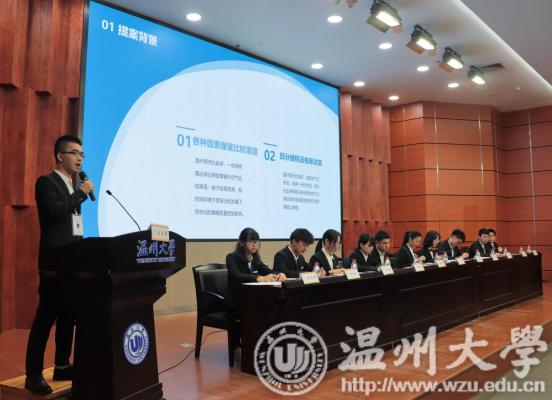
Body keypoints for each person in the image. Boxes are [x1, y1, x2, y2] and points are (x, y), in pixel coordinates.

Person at [25, 135, 95, 395]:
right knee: (46, 318)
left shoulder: (71, 187)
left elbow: (72, 225)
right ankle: (33, 375)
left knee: (68, 316)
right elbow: (54, 214)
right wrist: (81, 193)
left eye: (82, 154)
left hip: (72, 263)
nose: (79, 158)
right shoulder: (46, 183)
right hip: (54, 264)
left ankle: (62, 366)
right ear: (59, 156)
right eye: (74, 153)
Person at [226, 228, 285, 314]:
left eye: (256, 242)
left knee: (278, 302)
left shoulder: (255, 259)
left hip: (252, 297)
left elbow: (267, 271)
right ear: (241, 242)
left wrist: (279, 274)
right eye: (250, 242)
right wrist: (259, 278)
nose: (254, 245)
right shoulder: (231, 257)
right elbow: (236, 275)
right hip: (237, 299)